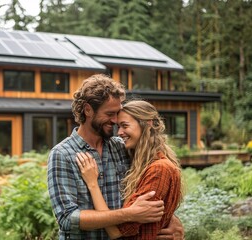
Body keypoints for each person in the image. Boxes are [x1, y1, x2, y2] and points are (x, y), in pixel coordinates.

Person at [47, 74, 183, 239]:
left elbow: (149, 188)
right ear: (88, 110)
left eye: (117, 113)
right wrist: (130, 214)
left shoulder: (121, 147)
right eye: (110, 113)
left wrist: (171, 220)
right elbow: (68, 218)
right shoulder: (63, 154)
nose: (115, 119)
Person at [76, 100, 183, 239]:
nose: (119, 132)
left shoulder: (158, 169)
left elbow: (117, 232)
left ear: (147, 124)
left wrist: (92, 184)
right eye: (118, 126)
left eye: (125, 126)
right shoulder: (141, 162)